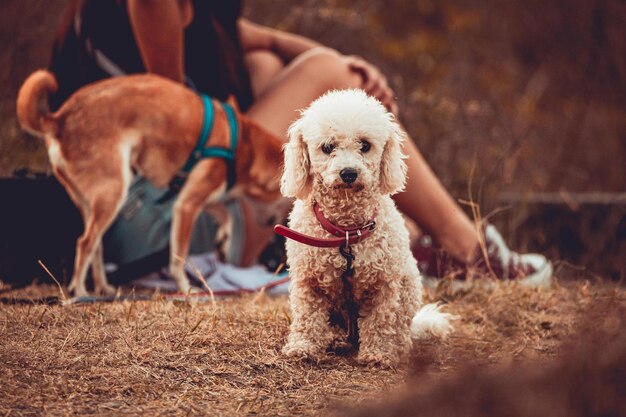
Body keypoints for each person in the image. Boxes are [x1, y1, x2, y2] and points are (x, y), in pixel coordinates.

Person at [44, 0, 551, 286]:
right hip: (154, 220)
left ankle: (408, 243)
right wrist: (339, 74)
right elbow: (183, 134)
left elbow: (261, 41)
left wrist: (354, 70)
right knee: (324, 76)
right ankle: (467, 251)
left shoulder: (199, 12)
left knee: (270, 67)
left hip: (181, 202)